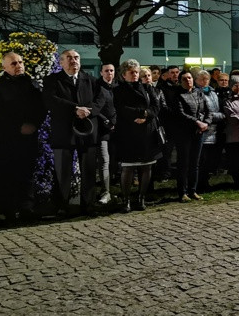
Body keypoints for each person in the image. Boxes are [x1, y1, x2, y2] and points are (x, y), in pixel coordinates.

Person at [42, 49, 104, 216]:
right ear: (61, 62)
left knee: (89, 170)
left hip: (87, 132)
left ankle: (88, 204)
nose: (73, 61)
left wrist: (89, 111)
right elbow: (51, 100)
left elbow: (100, 99)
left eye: (76, 58)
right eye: (68, 58)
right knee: (62, 172)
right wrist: (74, 109)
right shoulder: (52, 80)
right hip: (64, 132)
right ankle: (61, 205)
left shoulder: (90, 80)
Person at [0, 52, 45, 221]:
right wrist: (17, 127)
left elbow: (41, 107)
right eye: (14, 63)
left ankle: (26, 207)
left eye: (20, 62)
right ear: (4, 67)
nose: (19, 65)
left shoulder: (32, 84)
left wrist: (34, 124)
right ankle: (9, 209)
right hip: (7, 137)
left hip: (29, 136)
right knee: (8, 173)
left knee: (27, 173)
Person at [113, 59, 161, 212]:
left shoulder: (147, 88)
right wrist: (139, 114)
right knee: (128, 167)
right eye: (131, 72)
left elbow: (155, 106)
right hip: (128, 131)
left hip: (147, 131)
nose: (135, 75)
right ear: (124, 74)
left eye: (136, 72)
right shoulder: (118, 89)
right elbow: (121, 108)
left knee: (146, 166)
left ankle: (141, 198)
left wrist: (147, 115)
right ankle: (126, 200)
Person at [173, 71, 209, 202]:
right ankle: (182, 192)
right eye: (184, 79)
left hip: (198, 132)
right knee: (184, 163)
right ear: (180, 81)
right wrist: (196, 122)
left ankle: (193, 190)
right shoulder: (177, 95)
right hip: (184, 133)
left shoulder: (199, 93)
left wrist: (206, 123)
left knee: (195, 163)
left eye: (189, 78)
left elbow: (207, 110)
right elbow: (180, 113)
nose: (188, 80)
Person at [196, 70, 226, 192]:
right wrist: (219, 116)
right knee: (202, 160)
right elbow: (201, 113)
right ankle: (199, 184)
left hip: (215, 131)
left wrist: (217, 116)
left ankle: (206, 182)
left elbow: (218, 108)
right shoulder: (196, 93)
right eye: (202, 79)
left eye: (206, 79)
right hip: (203, 131)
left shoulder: (213, 92)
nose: (204, 81)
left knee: (211, 160)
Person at [96, 62, 117, 205]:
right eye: (107, 71)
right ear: (101, 73)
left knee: (115, 162)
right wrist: (107, 122)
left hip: (117, 131)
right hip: (102, 131)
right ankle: (105, 192)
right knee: (104, 161)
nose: (109, 73)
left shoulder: (117, 88)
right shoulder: (98, 88)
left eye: (111, 71)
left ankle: (114, 191)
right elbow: (96, 108)